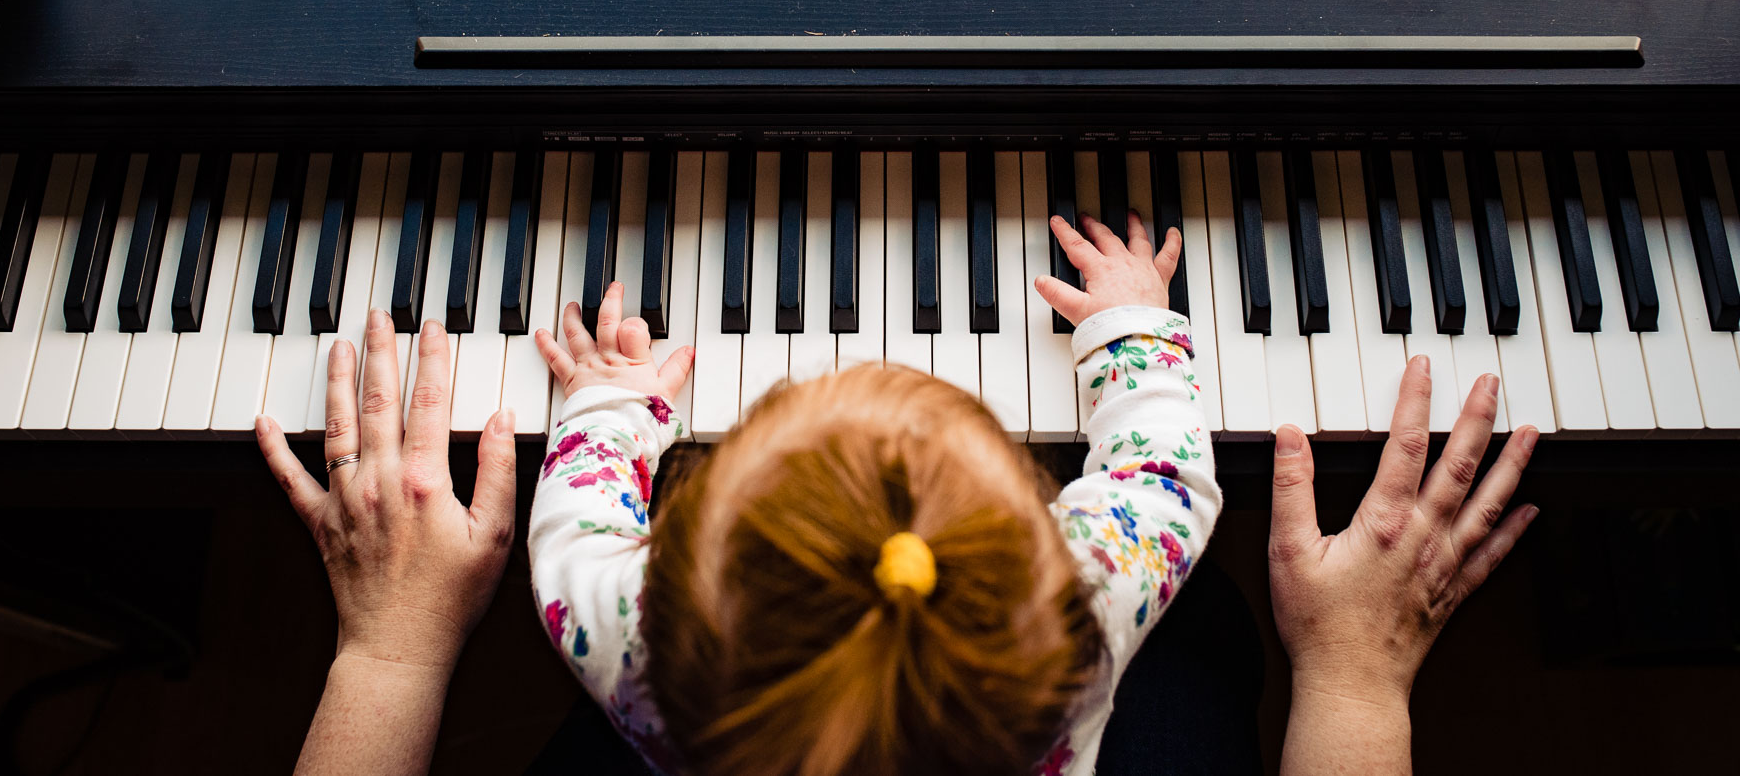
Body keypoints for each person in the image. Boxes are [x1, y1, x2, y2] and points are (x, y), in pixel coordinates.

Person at [257, 218, 1539, 776]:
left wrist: (390, 646)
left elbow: (577, 520)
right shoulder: (1091, 620)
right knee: (1200, 639)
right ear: (1056, 557)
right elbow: (1162, 474)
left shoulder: (623, 635)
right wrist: (1358, 680)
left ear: (679, 582)